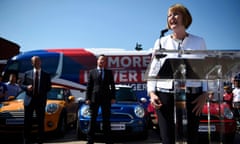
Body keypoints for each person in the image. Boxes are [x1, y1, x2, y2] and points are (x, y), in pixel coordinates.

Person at [147, 3, 208, 144]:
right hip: (165, 95)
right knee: (167, 139)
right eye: (169, 15)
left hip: (193, 95)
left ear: (185, 17)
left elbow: (206, 71)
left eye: (175, 14)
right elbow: (153, 70)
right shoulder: (161, 42)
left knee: (192, 138)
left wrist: (204, 94)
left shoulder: (199, 42)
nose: (171, 18)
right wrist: (152, 93)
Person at [85, 54, 116, 144]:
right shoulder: (92, 72)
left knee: (106, 119)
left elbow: (112, 86)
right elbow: (89, 86)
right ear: (97, 61)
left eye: (104, 60)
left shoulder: (109, 72)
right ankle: (90, 139)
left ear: (105, 62)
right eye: (101, 60)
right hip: (94, 98)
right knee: (92, 119)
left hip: (106, 99)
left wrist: (113, 97)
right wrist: (87, 98)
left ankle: (108, 139)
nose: (102, 61)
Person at [21, 56, 51, 144]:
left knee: (40, 122)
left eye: (38, 61)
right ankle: (26, 140)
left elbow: (49, 87)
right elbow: (21, 85)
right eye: (34, 61)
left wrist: (41, 89)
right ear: (32, 63)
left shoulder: (46, 75)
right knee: (27, 122)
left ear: (40, 62)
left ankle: (40, 140)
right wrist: (27, 87)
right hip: (29, 101)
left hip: (40, 101)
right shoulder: (27, 73)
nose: (36, 63)